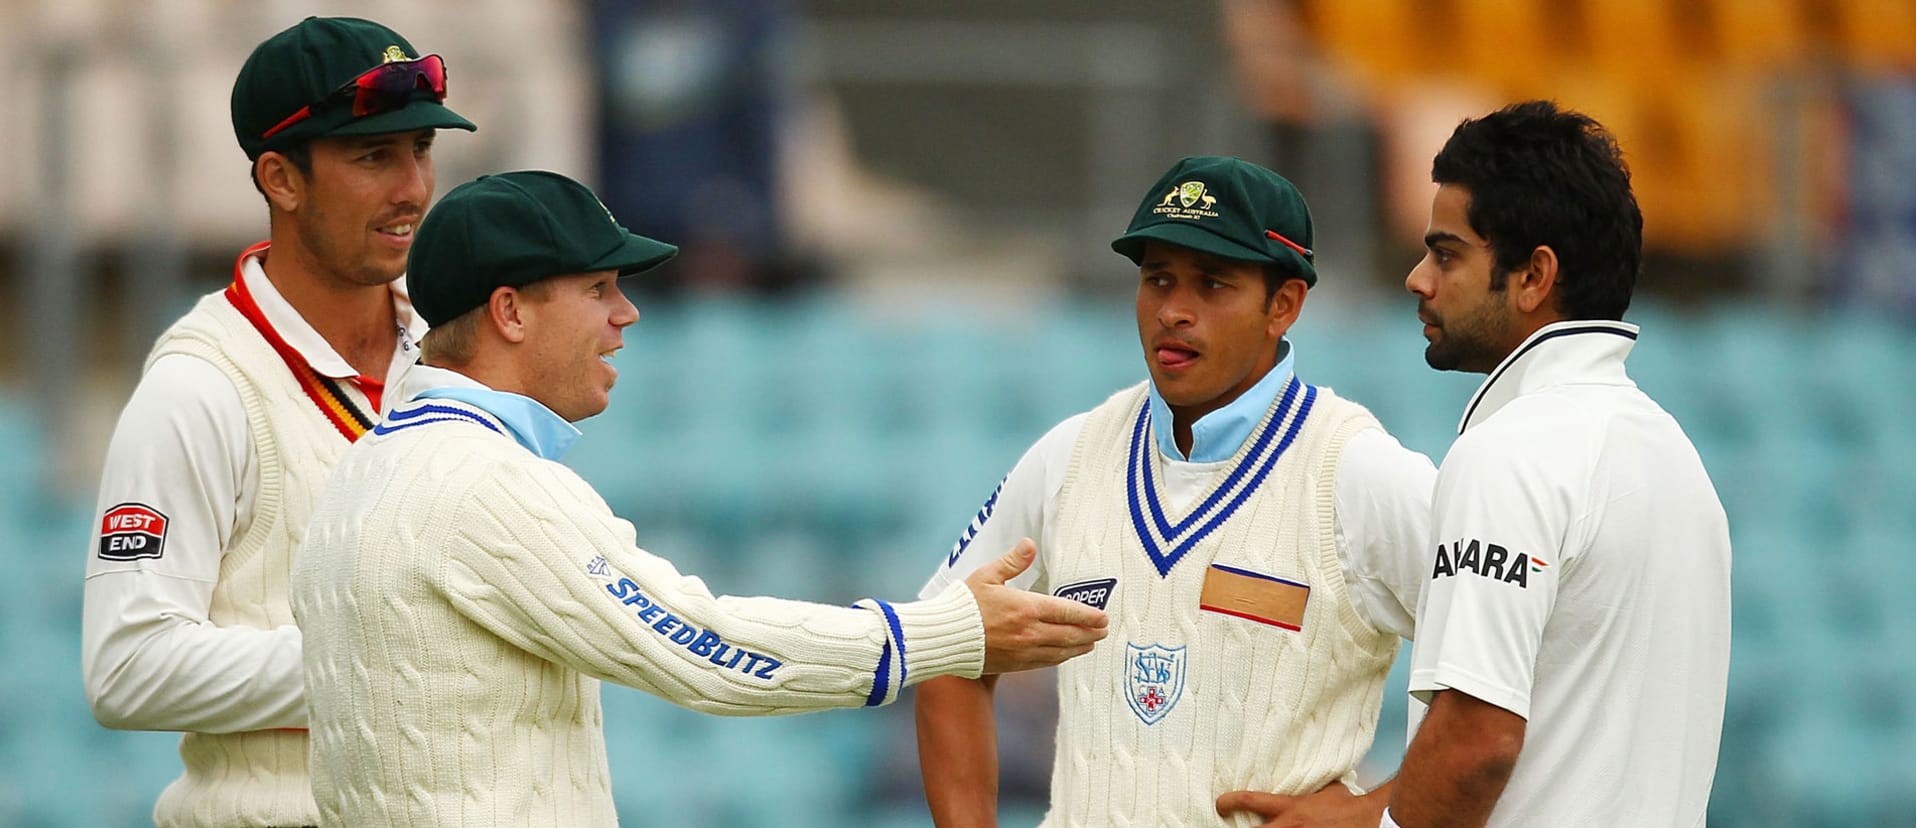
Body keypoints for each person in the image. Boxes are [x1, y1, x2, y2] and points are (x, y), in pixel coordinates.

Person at [287, 170, 1110, 826]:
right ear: (509, 311)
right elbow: (703, 651)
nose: (627, 314)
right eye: (600, 287)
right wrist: (948, 631)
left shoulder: (365, 470)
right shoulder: (481, 483)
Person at [1238, 101, 1733, 828]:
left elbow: (1480, 743)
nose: (1417, 279)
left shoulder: (1510, 453)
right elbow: (1555, 741)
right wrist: (1365, 814)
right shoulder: (1675, 459)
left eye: (1446, 253)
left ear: (1534, 276)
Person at [912, 156, 1437, 827]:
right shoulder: (1068, 456)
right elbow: (942, 646)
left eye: (1212, 284)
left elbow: (1519, 673)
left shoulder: (1359, 473)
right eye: (1157, 279)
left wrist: (1377, 812)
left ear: (1284, 305)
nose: (1173, 311)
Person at [79, 16, 475, 828]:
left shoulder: (454, 358)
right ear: (281, 179)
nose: (413, 188)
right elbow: (128, 669)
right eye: (374, 158)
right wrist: (385, 663)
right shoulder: (199, 388)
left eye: (421, 150)